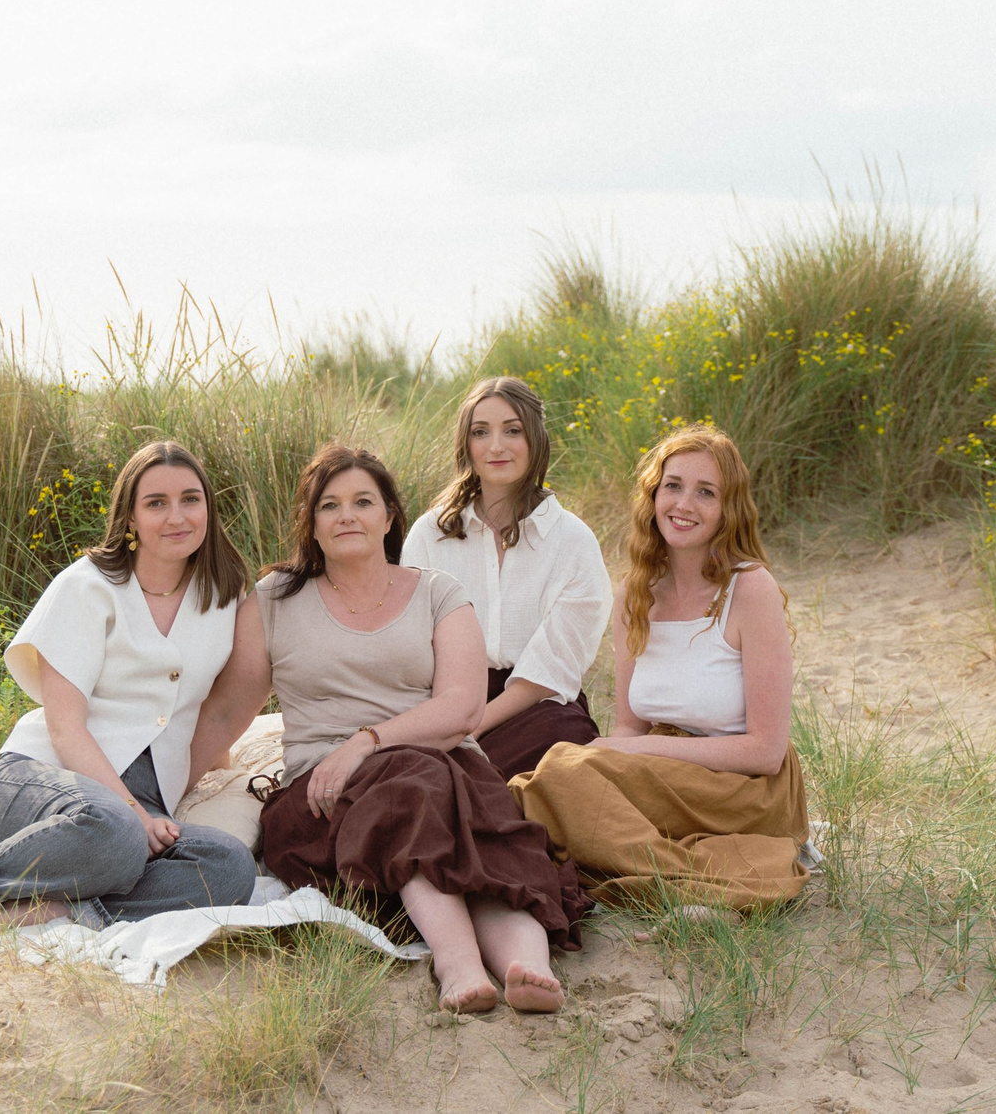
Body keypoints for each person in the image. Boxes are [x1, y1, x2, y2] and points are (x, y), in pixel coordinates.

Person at [195, 444, 590, 1015]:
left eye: (362, 502)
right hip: (326, 795)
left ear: (389, 516)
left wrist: (367, 741)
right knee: (413, 800)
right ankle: (457, 964)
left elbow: (461, 708)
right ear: (311, 521)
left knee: (473, 830)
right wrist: (154, 794)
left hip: (443, 765)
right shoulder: (274, 600)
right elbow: (228, 713)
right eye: (329, 505)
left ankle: (527, 968)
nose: (346, 515)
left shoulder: (438, 592)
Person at [0, 442, 259, 947]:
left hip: (144, 799)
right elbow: (65, 727)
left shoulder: (225, 595)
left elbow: (212, 705)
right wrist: (136, 815)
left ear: (208, 507)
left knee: (230, 866)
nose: (177, 517)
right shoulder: (88, 587)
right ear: (130, 516)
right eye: (156, 503)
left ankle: (54, 905)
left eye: (191, 499)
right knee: (118, 833)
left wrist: (168, 797)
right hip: (46, 778)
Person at [507, 426, 809, 910]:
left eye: (705, 492)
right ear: (653, 495)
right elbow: (630, 725)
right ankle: (693, 875)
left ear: (727, 509)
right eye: (673, 485)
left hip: (743, 788)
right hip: (664, 775)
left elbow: (766, 753)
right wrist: (605, 759)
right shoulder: (634, 594)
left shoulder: (750, 589)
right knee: (538, 787)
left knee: (559, 778)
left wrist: (623, 755)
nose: (684, 504)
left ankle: (714, 876)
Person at [402, 377, 611, 780]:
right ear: (467, 444)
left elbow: (549, 670)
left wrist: (471, 728)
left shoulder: (573, 541)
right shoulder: (430, 534)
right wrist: (447, 720)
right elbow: (412, 647)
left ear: (534, 438)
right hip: (446, 703)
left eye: (512, 430)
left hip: (538, 712)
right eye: (481, 432)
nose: (496, 446)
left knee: (566, 760)